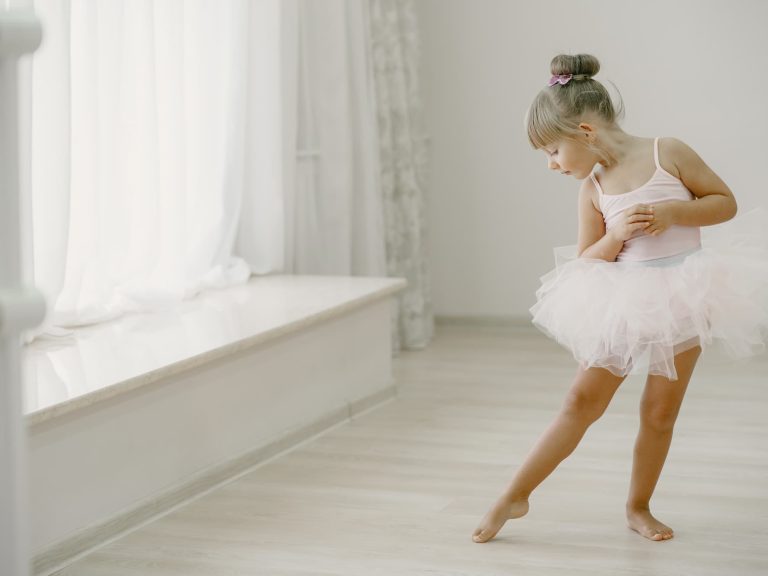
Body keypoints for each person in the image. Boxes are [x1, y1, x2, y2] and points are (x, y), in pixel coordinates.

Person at [472, 53, 768, 543]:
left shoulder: (667, 152)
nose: (550, 164)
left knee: (659, 412)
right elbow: (589, 259)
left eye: (552, 151)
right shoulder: (592, 187)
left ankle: (638, 506)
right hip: (626, 303)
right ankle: (514, 495)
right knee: (581, 400)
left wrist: (674, 212)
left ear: (585, 133)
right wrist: (615, 237)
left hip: (683, 296)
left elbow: (725, 202)